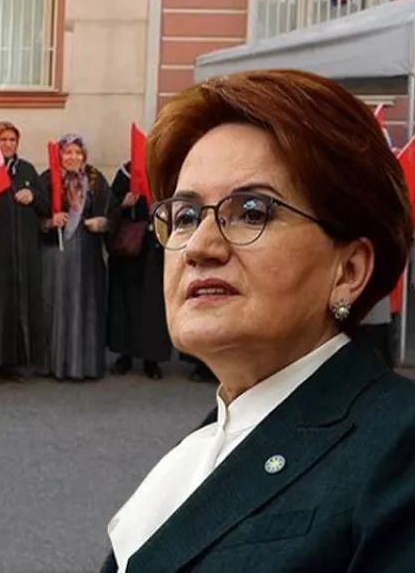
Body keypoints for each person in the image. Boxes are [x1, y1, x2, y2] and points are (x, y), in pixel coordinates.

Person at [103, 70, 415, 572]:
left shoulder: (399, 451)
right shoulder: (218, 433)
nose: (201, 246)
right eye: (185, 217)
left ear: (350, 270)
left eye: (252, 211)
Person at [0, 122, 48, 380]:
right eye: (3, 140)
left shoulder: (26, 170)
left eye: (13, 140)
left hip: (22, 254)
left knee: (18, 307)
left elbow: (46, 206)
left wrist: (33, 195)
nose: (8, 144)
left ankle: (13, 362)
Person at [38, 133, 111, 381]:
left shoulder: (94, 179)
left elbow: (110, 210)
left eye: (77, 153)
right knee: (56, 305)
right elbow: (32, 216)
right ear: (59, 154)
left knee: (84, 305)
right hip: (56, 254)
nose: (73, 157)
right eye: (67, 152)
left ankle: (84, 365)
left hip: (86, 255)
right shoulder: (47, 179)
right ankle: (54, 364)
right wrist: (49, 221)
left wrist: (103, 222)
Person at [106, 161, 172, 380]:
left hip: (154, 251)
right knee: (125, 302)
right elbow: (109, 205)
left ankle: (150, 359)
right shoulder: (125, 173)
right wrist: (123, 204)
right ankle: (125, 355)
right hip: (129, 250)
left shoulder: (164, 172)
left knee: (152, 305)